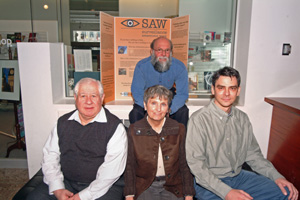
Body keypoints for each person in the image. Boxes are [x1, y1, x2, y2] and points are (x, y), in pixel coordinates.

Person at [186, 67, 298, 200]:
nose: (226, 93)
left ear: (238, 91)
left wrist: (277, 177)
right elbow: (197, 166)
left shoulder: (243, 119)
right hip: (209, 183)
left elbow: (254, 155)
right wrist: (227, 192)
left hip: (239, 177)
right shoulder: (199, 120)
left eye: (232, 88)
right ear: (213, 89)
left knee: (285, 192)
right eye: (221, 87)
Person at [27, 78, 128, 200]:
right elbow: (50, 156)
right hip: (67, 182)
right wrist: (57, 188)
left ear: (102, 98)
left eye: (94, 96)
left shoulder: (115, 127)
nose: (88, 101)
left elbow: (111, 172)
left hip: (104, 186)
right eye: (83, 96)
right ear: (75, 98)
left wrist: (82, 196)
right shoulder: (62, 123)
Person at [124, 85, 195, 200]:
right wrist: (129, 195)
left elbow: (185, 165)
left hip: (173, 187)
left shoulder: (179, 129)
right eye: (153, 103)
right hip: (144, 186)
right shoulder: (134, 130)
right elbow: (129, 166)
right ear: (145, 105)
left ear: (168, 108)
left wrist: (188, 194)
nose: (158, 109)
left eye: (163, 104)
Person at [129, 36, 189, 128]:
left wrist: (169, 109)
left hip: (169, 97)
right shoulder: (141, 66)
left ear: (171, 52)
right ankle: (140, 141)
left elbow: (182, 94)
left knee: (183, 112)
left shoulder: (180, 67)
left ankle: (177, 141)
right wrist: (150, 108)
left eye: (167, 50)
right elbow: (137, 92)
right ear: (152, 51)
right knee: (135, 113)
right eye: (159, 50)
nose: (163, 54)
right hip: (148, 97)